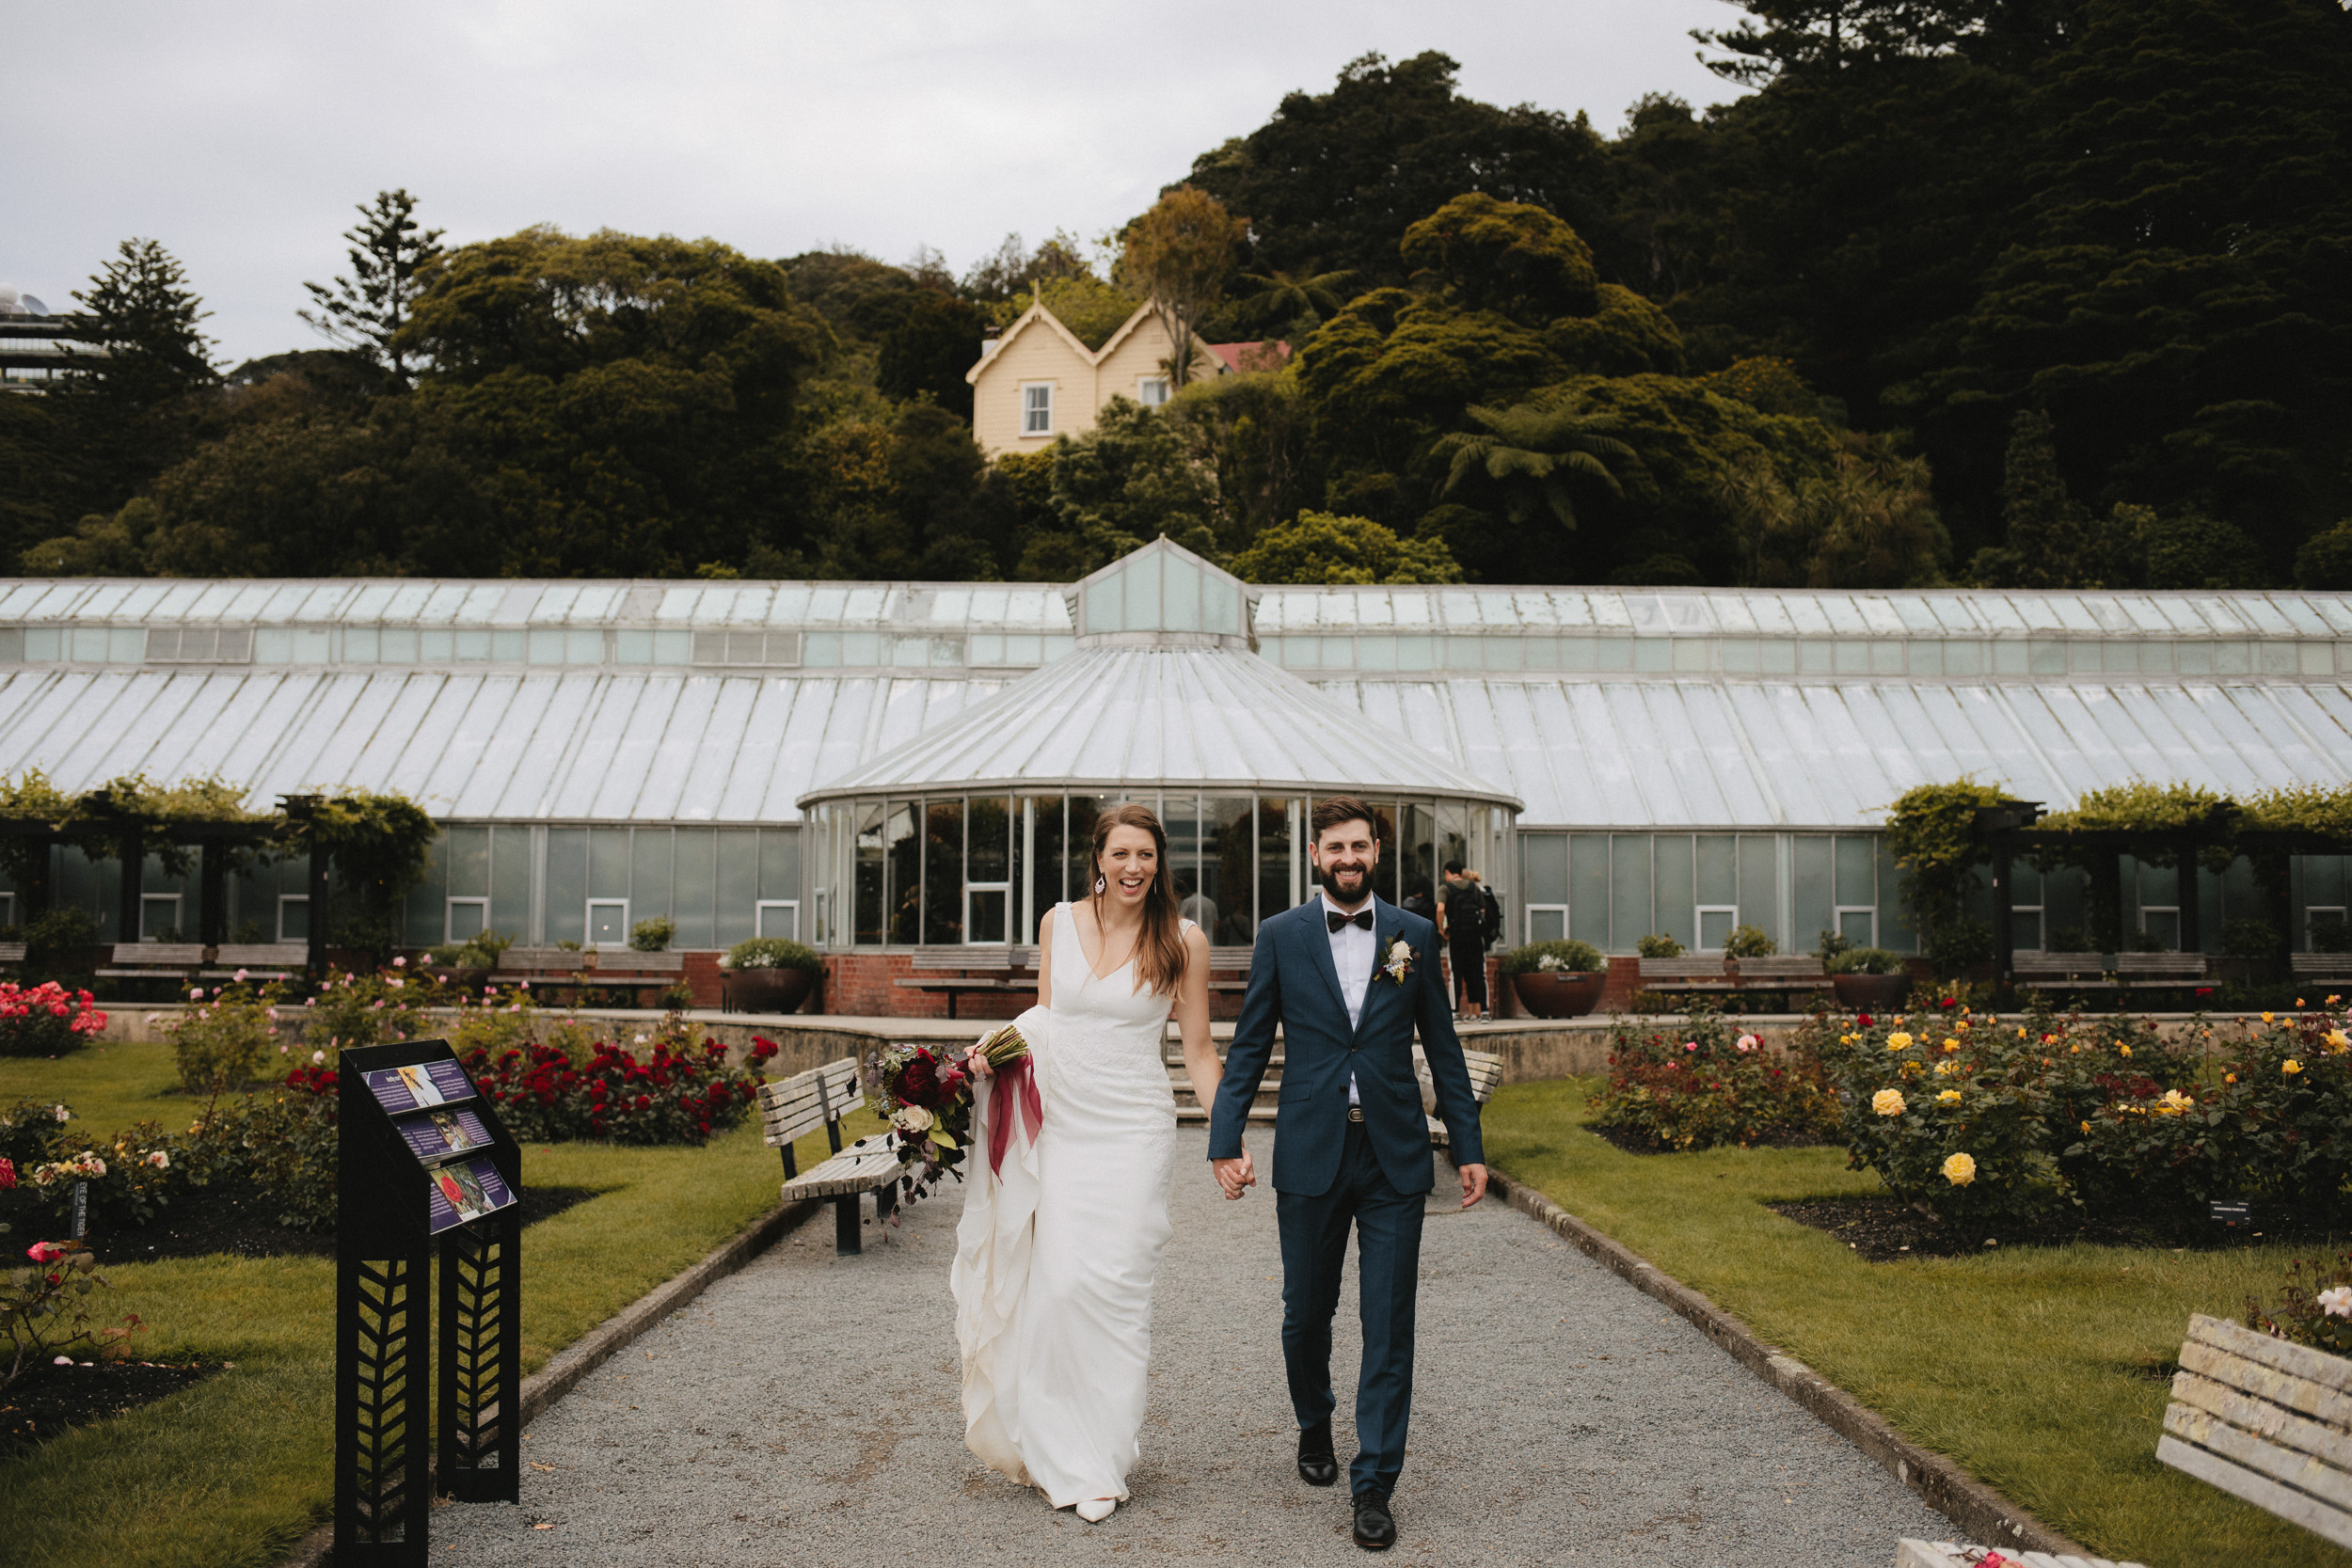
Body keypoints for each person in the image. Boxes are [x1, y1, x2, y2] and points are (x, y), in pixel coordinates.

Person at [1208, 797, 1488, 1552]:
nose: (1349, 857)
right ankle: (1313, 1421)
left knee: (1388, 1324)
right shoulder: (1281, 936)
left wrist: (1468, 1145)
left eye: (1360, 845)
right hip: (1310, 1150)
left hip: (1394, 1152)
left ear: (1374, 851)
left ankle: (1375, 1482)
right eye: (1335, 846)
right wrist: (1223, 1138)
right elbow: (1249, 1046)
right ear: (1315, 855)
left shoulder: (1415, 936)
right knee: (1306, 1314)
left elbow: (1445, 1049)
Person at [950, 802, 1221, 1525]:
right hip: (1064, 1129)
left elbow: (1198, 1051)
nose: (1134, 867)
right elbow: (1044, 1020)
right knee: (1059, 1286)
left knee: (1117, 1291)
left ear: (1160, 862)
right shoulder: (1056, 923)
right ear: (1097, 858)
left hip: (1133, 1133)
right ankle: (1054, 1449)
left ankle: (1102, 1458)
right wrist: (991, 1053)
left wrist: (1226, 1135)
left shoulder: (1184, 941)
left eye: (1146, 855)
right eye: (1121, 854)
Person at [1440, 862, 1489, 1022]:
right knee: (1479, 973)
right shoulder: (1473, 887)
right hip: (1475, 936)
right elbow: (1482, 909)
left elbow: (1440, 909)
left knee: (1455, 973)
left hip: (1456, 936)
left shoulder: (1446, 888)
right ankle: (1485, 1011)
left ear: (1447, 872)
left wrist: (1442, 930)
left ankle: (1454, 1012)